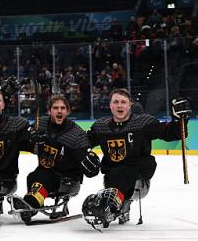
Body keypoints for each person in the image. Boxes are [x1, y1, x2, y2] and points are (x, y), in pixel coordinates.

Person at [81, 89, 190, 228]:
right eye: (116, 102)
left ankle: (112, 203)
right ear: (110, 106)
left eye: (123, 102)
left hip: (139, 178)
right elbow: (82, 143)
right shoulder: (101, 127)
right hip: (112, 178)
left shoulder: (143, 123)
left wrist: (178, 120)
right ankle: (116, 200)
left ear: (130, 105)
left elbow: (171, 133)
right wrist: (83, 154)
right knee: (117, 173)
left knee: (122, 172)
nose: (120, 105)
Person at [16, 95, 95, 223]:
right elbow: (23, 143)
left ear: (68, 111)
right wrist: (32, 140)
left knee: (44, 177)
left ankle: (30, 204)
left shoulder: (76, 133)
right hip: (44, 172)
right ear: (49, 110)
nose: (59, 111)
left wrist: (90, 165)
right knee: (33, 176)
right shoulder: (40, 124)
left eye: (63, 108)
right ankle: (32, 203)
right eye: (55, 108)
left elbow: (86, 165)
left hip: (68, 178)